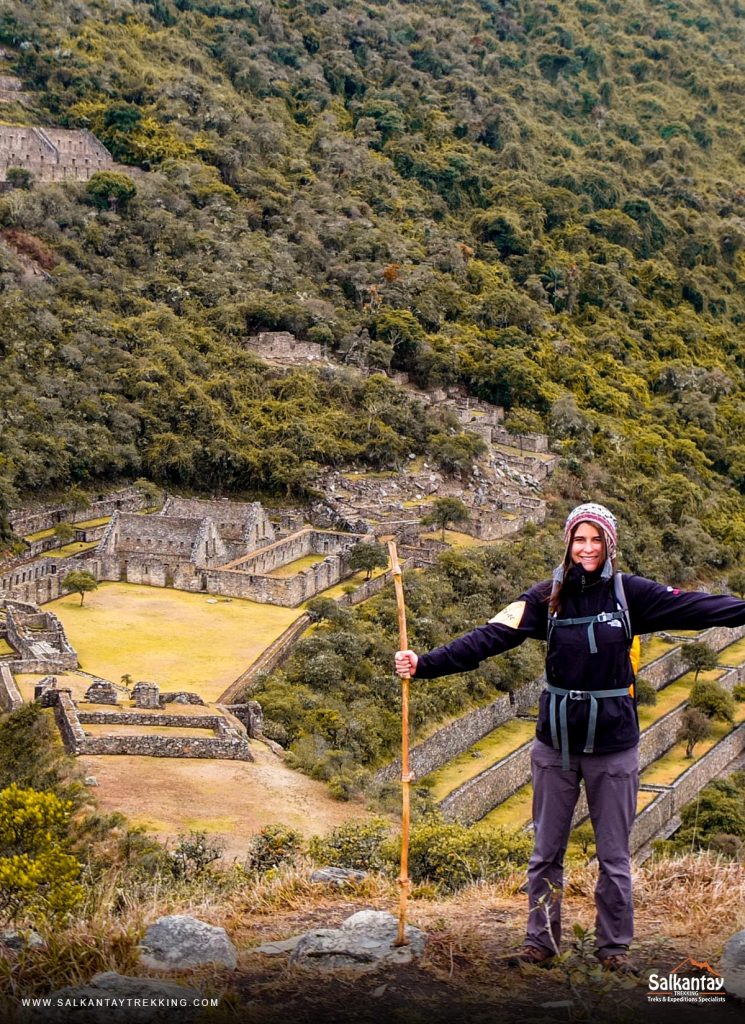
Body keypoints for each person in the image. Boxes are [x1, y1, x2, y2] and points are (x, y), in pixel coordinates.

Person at [394, 502, 745, 973]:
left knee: (615, 856)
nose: (587, 548)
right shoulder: (547, 597)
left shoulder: (630, 595)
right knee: (545, 853)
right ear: (568, 544)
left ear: (609, 544)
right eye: (579, 539)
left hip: (614, 745)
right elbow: (489, 636)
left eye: (595, 539)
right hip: (554, 745)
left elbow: (698, 607)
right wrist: (426, 663)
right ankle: (540, 942)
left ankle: (613, 949)